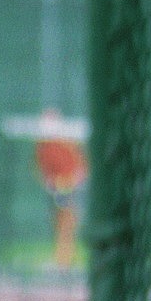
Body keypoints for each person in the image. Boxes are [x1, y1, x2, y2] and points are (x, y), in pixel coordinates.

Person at [34, 109, 88, 269]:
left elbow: (80, 167)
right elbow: (42, 169)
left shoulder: (66, 143)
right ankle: (62, 260)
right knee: (59, 223)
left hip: (71, 188)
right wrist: (51, 183)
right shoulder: (42, 146)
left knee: (67, 222)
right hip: (56, 189)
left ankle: (64, 261)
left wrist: (72, 183)